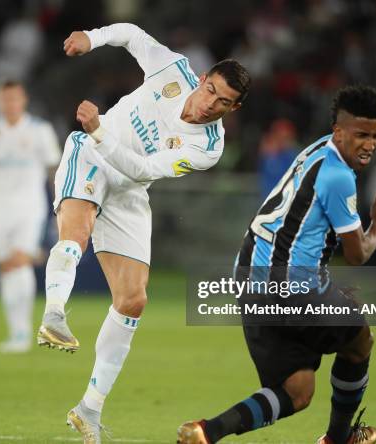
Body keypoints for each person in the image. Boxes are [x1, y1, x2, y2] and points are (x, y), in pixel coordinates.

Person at [36, 23, 251, 442]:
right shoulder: (174, 70)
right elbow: (133, 34)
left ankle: (89, 410)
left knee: (133, 300)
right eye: (211, 92)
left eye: (224, 103)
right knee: (76, 236)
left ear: (234, 108)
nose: (211, 105)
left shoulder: (209, 148)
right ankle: (55, 313)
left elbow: (142, 169)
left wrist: (99, 127)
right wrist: (91, 38)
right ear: (203, 79)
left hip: (129, 187)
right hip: (90, 157)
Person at [177, 85, 376, 444]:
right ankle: (338, 438)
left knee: (295, 392)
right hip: (291, 286)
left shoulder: (317, 150)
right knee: (361, 340)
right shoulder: (338, 177)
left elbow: (306, 234)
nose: (370, 144)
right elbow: (357, 254)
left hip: (249, 279)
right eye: (361, 134)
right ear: (339, 131)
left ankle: (207, 431)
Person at [0, 80, 61, 353]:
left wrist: (61, 205)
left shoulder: (40, 131)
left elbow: (55, 170)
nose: (10, 104)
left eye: (14, 99)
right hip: (0, 208)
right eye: (5, 99)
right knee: (6, 266)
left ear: (23, 100)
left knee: (20, 259)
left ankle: (24, 333)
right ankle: (15, 330)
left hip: (30, 206)